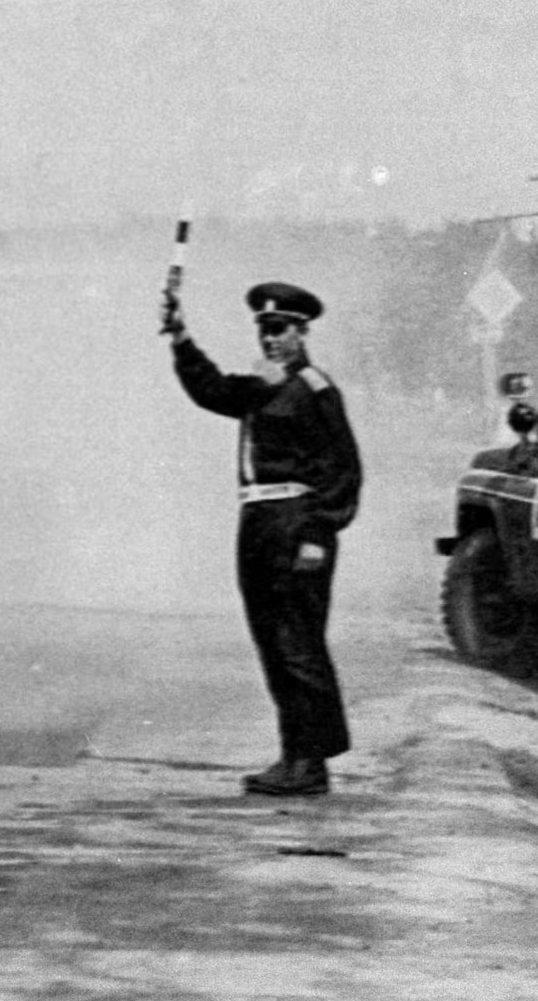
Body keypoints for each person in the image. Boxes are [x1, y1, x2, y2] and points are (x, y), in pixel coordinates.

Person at [160, 280, 362, 797]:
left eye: (279, 330)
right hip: (258, 522)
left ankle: (311, 763)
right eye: (264, 331)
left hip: (297, 522)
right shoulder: (261, 385)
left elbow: (343, 469)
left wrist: (316, 535)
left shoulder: (315, 388)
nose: (270, 340)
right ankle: (293, 756)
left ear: (301, 332)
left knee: (298, 644)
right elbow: (211, 390)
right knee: (272, 643)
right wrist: (181, 337)